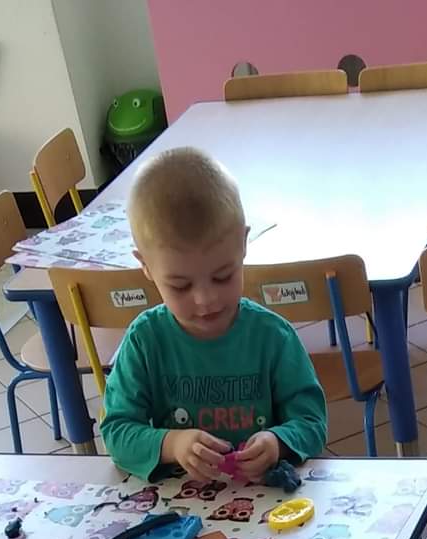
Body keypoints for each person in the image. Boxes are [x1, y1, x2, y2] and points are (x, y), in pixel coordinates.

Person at [97, 146, 329, 481]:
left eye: (223, 277)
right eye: (180, 286)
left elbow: (312, 422)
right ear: (145, 266)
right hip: (179, 503)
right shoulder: (145, 341)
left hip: (267, 500)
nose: (205, 300)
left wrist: (277, 442)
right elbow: (117, 433)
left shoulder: (272, 336)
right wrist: (172, 443)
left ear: (243, 244)